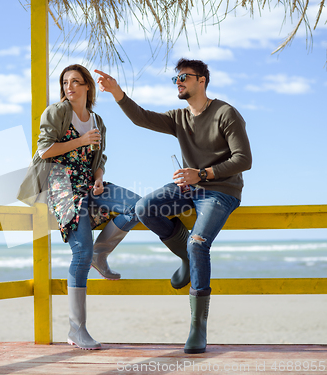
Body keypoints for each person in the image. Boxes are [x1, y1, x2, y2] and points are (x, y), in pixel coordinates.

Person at [95, 58, 252, 354]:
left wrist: (203, 174)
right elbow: (142, 118)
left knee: (197, 243)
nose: (178, 82)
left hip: (221, 190)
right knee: (145, 207)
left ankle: (197, 327)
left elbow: (244, 159)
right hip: (189, 189)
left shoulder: (225, 113)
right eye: (176, 78)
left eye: (184, 77)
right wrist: (117, 92)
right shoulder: (179, 117)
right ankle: (186, 260)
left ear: (201, 80)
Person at [18, 64, 141, 350]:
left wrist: (99, 179)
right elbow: (44, 150)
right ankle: (77, 330)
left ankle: (102, 251)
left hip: (88, 182)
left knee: (139, 206)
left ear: (88, 86)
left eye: (75, 81)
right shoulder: (57, 112)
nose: (69, 87)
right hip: (60, 183)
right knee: (80, 251)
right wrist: (81, 140)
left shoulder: (97, 120)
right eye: (64, 82)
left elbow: (99, 159)